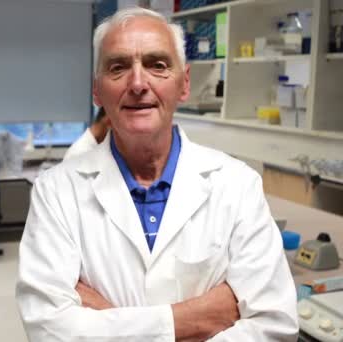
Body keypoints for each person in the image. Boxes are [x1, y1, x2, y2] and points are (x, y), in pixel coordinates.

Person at [16, 7, 298, 341]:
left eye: (157, 65)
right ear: (97, 90)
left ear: (184, 83)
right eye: (118, 67)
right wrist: (190, 320)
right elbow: (49, 330)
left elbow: (275, 326)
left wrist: (110, 322)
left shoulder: (237, 184)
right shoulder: (56, 191)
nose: (138, 83)